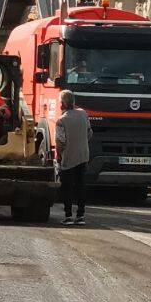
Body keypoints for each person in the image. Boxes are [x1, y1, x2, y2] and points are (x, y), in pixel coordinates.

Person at [54, 90, 92, 226]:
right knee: (81, 186)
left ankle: (68, 216)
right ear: (74, 102)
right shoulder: (83, 114)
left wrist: (59, 157)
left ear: (62, 104)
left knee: (67, 187)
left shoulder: (61, 121)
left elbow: (60, 142)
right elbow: (89, 133)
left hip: (68, 158)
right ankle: (81, 215)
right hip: (83, 156)